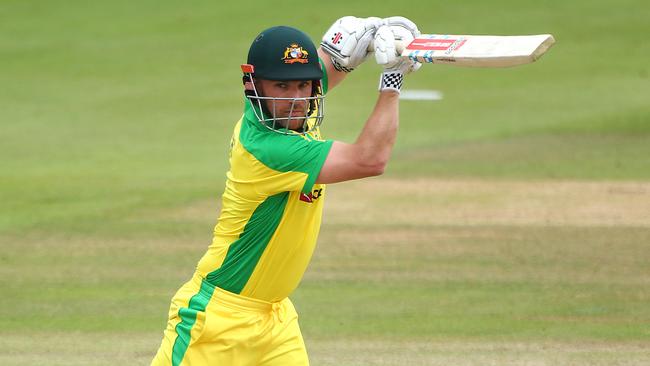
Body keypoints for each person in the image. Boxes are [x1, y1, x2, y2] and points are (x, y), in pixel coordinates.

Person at [151, 15, 421, 366]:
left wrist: (352, 45)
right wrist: (392, 78)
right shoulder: (266, 147)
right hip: (217, 319)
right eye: (282, 88)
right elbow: (370, 160)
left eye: (303, 86)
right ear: (253, 87)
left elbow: (321, 69)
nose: (295, 99)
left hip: (275, 321)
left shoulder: (291, 112)